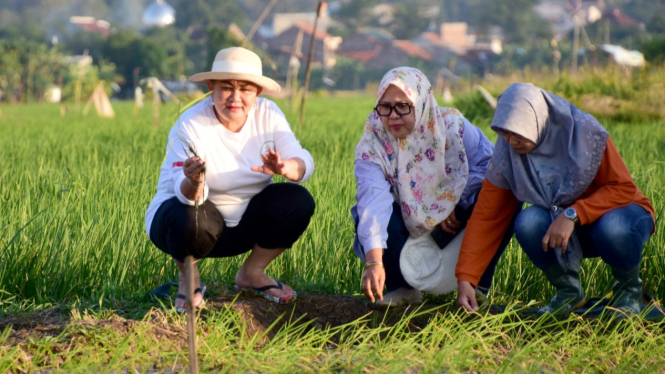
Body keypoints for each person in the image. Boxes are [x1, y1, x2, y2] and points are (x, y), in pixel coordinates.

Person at [456, 83, 655, 316]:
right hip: (569, 231)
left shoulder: (585, 133)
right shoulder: (507, 153)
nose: (510, 141)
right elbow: (488, 214)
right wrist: (466, 279)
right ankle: (569, 294)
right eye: (504, 132)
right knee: (528, 221)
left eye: (518, 132)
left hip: (623, 218)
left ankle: (628, 294)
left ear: (538, 121)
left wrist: (573, 214)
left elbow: (621, 189)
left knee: (613, 228)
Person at [145, 47, 316, 310]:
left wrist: (285, 167)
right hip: (187, 223)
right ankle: (187, 281)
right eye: (226, 87)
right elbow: (181, 190)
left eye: (245, 89)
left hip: (243, 222)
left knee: (298, 200)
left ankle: (252, 273)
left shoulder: (268, 115)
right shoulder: (191, 123)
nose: (235, 97)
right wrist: (195, 181)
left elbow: (303, 161)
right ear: (211, 87)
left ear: (257, 93)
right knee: (188, 213)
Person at [352, 67, 518, 306]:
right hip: (410, 227)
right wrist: (374, 263)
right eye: (385, 107)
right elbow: (373, 200)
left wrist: (455, 204)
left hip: (457, 221)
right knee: (366, 212)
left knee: (505, 196)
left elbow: (491, 168)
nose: (393, 115)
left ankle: (477, 286)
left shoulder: (451, 126)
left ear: (421, 102)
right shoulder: (372, 143)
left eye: (402, 106)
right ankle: (402, 288)